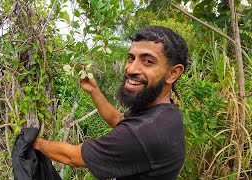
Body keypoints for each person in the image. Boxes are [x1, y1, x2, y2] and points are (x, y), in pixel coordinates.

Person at [33, 26, 188, 179]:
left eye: (148, 61)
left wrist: (34, 143)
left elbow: (71, 157)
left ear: (173, 73)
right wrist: (95, 91)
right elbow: (119, 120)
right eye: (131, 58)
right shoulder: (166, 113)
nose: (131, 69)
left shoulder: (141, 134)